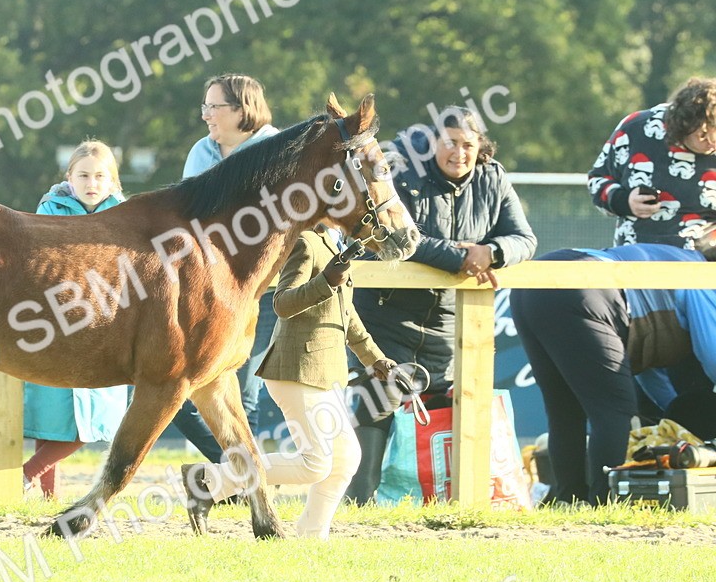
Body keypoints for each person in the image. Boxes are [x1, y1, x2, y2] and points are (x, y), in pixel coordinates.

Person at [347, 108, 537, 504]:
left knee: (460, 406)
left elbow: (524, 239)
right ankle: (358, 502)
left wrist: (493, 251)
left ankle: (451, 499)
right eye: (450, 142)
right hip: (386, 315)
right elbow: (398, 236)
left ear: (480, 147)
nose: (459, 153)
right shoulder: (400, 172)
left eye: (468, 144)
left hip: (454, 320)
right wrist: (460, 256)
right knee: (378, 400)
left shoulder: (494, 177)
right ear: (434, 143)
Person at [181, 226, 396, 538]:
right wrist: (325, 282)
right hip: (296, 368)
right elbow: (281, 304)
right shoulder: (306, 243)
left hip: (325, 371)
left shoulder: (336, 243)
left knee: (346, 458)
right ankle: (208, 480)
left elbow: (346, 314)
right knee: (315, 464)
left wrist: (375, 359)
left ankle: (311, 536)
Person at [510, 242, 716, 505]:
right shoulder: (701, 272)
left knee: (564, 409)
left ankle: (570, 501)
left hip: (533, 284)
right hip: (583, 284)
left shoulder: (675, 261)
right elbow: (712, 354)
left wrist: (673, 420)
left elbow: (648, 366)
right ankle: (605, 503)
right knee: (614, 411)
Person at [171, 74, 280, 463]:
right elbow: (188, 217)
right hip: (208, 289)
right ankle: (233, 472)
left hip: (262, 293)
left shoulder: (277, 150)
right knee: (178, 390)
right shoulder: (202, 151)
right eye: (205, 106)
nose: (205, 116)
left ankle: (235, 478)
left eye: (213, 107)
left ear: (240, 110)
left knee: (240, 394)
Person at [22, 141, 129, 497]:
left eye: (100, 176)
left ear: (113, 180)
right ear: (70, 177)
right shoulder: (49, 209)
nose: (92, 183)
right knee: (51, 418)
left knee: (95, 421)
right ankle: (47, 496)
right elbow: (42, 262)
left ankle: (24, 476)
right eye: (83, 175)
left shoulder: (126, 214)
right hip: (55, 321)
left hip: (105, 325)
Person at [588, 77, 716, 248]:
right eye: (703, 135)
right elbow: (597, 180)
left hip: (702, 261)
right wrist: (624, 201)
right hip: (636, 256)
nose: (713, 143)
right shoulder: (637, 128)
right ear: (683, 124)